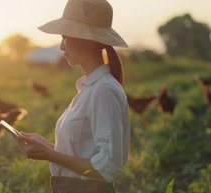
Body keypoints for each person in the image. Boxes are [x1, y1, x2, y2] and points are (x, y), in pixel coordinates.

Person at [15, 0, 130, 192]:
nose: (61, 46)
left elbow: (106, 169)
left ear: (85, 38)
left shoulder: (104, 90)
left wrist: (50, 155)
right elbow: (83, 155)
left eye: (65, 37)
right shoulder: (89, 88)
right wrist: (48, 147)